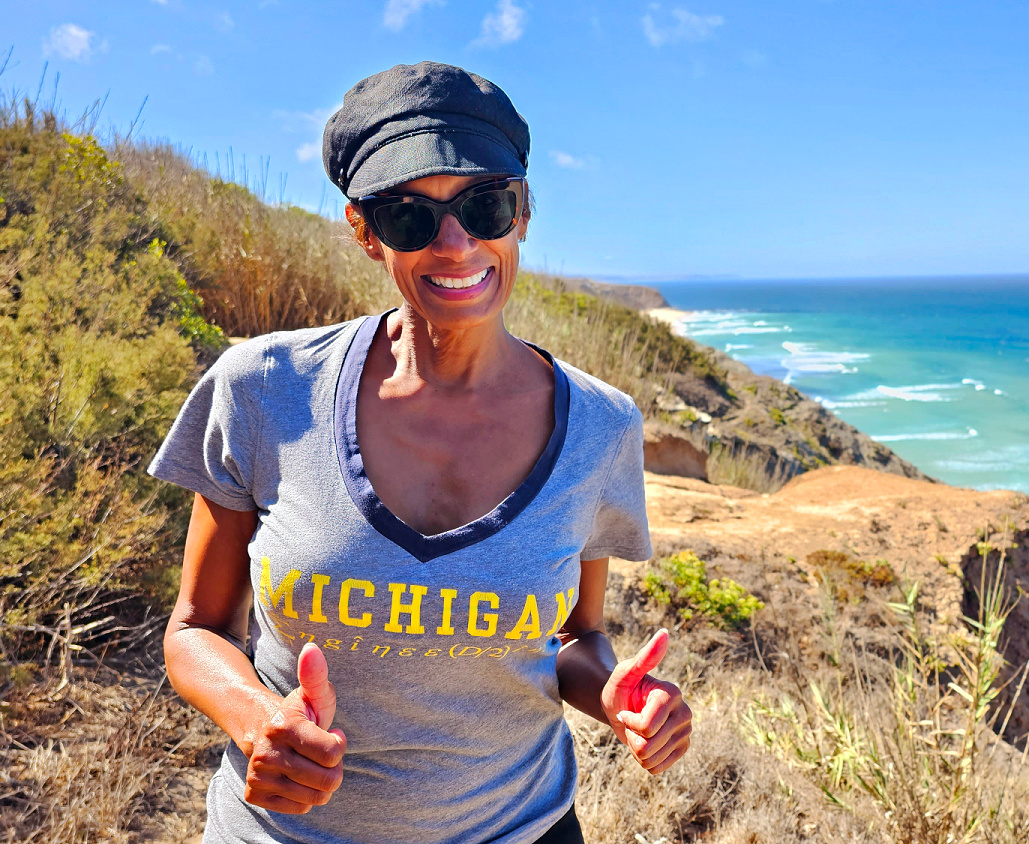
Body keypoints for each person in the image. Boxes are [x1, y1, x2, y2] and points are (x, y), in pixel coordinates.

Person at [150, 61, 691, 844]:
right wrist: (257, 720)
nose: (454, 243)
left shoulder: (601, 427)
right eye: (409, 217)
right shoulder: (264, 390)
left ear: (524, 212)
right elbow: (196, 627)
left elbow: (574, 638)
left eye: (484, 206)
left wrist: (615, 694)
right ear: (364, 232)